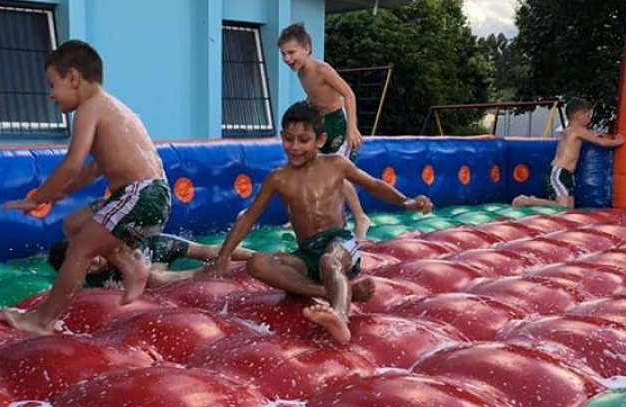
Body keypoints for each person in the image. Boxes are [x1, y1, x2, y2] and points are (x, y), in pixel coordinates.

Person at [213, 101, 432, 344]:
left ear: (320, 140)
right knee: (257, 263)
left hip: (340, 243)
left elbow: (373, 185)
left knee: (330, 260)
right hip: (307, 253)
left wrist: (406, 202)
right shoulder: (278, 178)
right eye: (288, 139)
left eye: (303, 139)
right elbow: (249, 216)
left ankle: (339, 317)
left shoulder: (335, 165)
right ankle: (333, 292)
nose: (295, 147)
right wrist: (223, 256)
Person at [2, 40, 169, 336]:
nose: (51, 94)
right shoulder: (115, 107)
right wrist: (61, 193)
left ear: (74, 78)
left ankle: (42, 321)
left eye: (53, 84)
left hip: (139, 194)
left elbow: (71, 163)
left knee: (79, 250)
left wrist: (38, 197)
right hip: (148, 194)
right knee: (74, 223)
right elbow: (94, 168)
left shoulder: (90, 109)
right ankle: (132, 266)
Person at [278, 23, 372, 240]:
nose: (287, 58)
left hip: (338, 124)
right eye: (283, 54)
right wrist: (309, 103)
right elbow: (318, 95)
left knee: (337, 173)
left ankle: (361, 217)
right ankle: (306, 216)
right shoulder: (301, 73)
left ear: (307, 48)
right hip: (321, 123)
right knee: (307, 166)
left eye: (291, 52)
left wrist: (352, 127)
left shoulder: (321, 69)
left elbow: (348, 94)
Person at [513, 98, 624, 209]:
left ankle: (533, 201)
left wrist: (603, 135)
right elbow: (601, 142)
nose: (589, 119)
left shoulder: (570, 130)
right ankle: (529, 200)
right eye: (588, 115)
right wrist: (618, 141)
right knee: (563, 207)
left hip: (567, 174)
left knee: (569, 209)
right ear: (579, 116)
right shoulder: (577, 130)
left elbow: (595, 135)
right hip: (559, 172)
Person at [47, 234, 253, 288]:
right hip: (151, 266)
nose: (96, 261)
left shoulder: (111, 248)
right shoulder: (91, 281)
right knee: (155, 278)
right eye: (87, 265)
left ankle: (253, 256)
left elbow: (136, 273)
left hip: (153, 246)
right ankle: (206, 272)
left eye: (91, 255)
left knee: (207, 250)